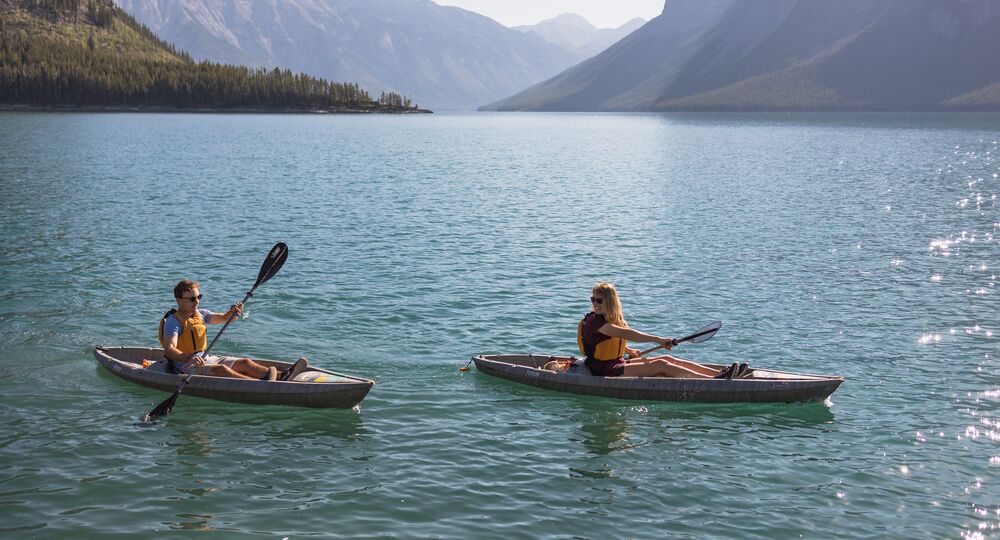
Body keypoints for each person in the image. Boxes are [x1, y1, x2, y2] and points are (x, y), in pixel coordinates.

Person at [578, 282, 745, 379]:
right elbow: (626, 334)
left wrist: (628, 350)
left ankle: (721, 374)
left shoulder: (610, 319)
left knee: (667, 357)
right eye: (593, 300)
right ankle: (713, 381)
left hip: (615, 363)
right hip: (602, 371)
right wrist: (658, 339)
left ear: (609, 302)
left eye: (599, 300)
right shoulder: (595, 322)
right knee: (661, 364)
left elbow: (611, 340)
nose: (595, 304)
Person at [159, 279, 306, 381]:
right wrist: (188, 358)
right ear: (179, 300)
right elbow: (169, 349)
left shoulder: (201, 314)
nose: (196, 301)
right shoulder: (174, 321)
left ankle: (282, 376)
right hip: (184, 365)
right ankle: (258, 385)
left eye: (199, 297)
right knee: (221, 369)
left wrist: (232, 313)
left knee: (245, 362)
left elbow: (223, 318)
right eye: (192, 299)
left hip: (205, 357)